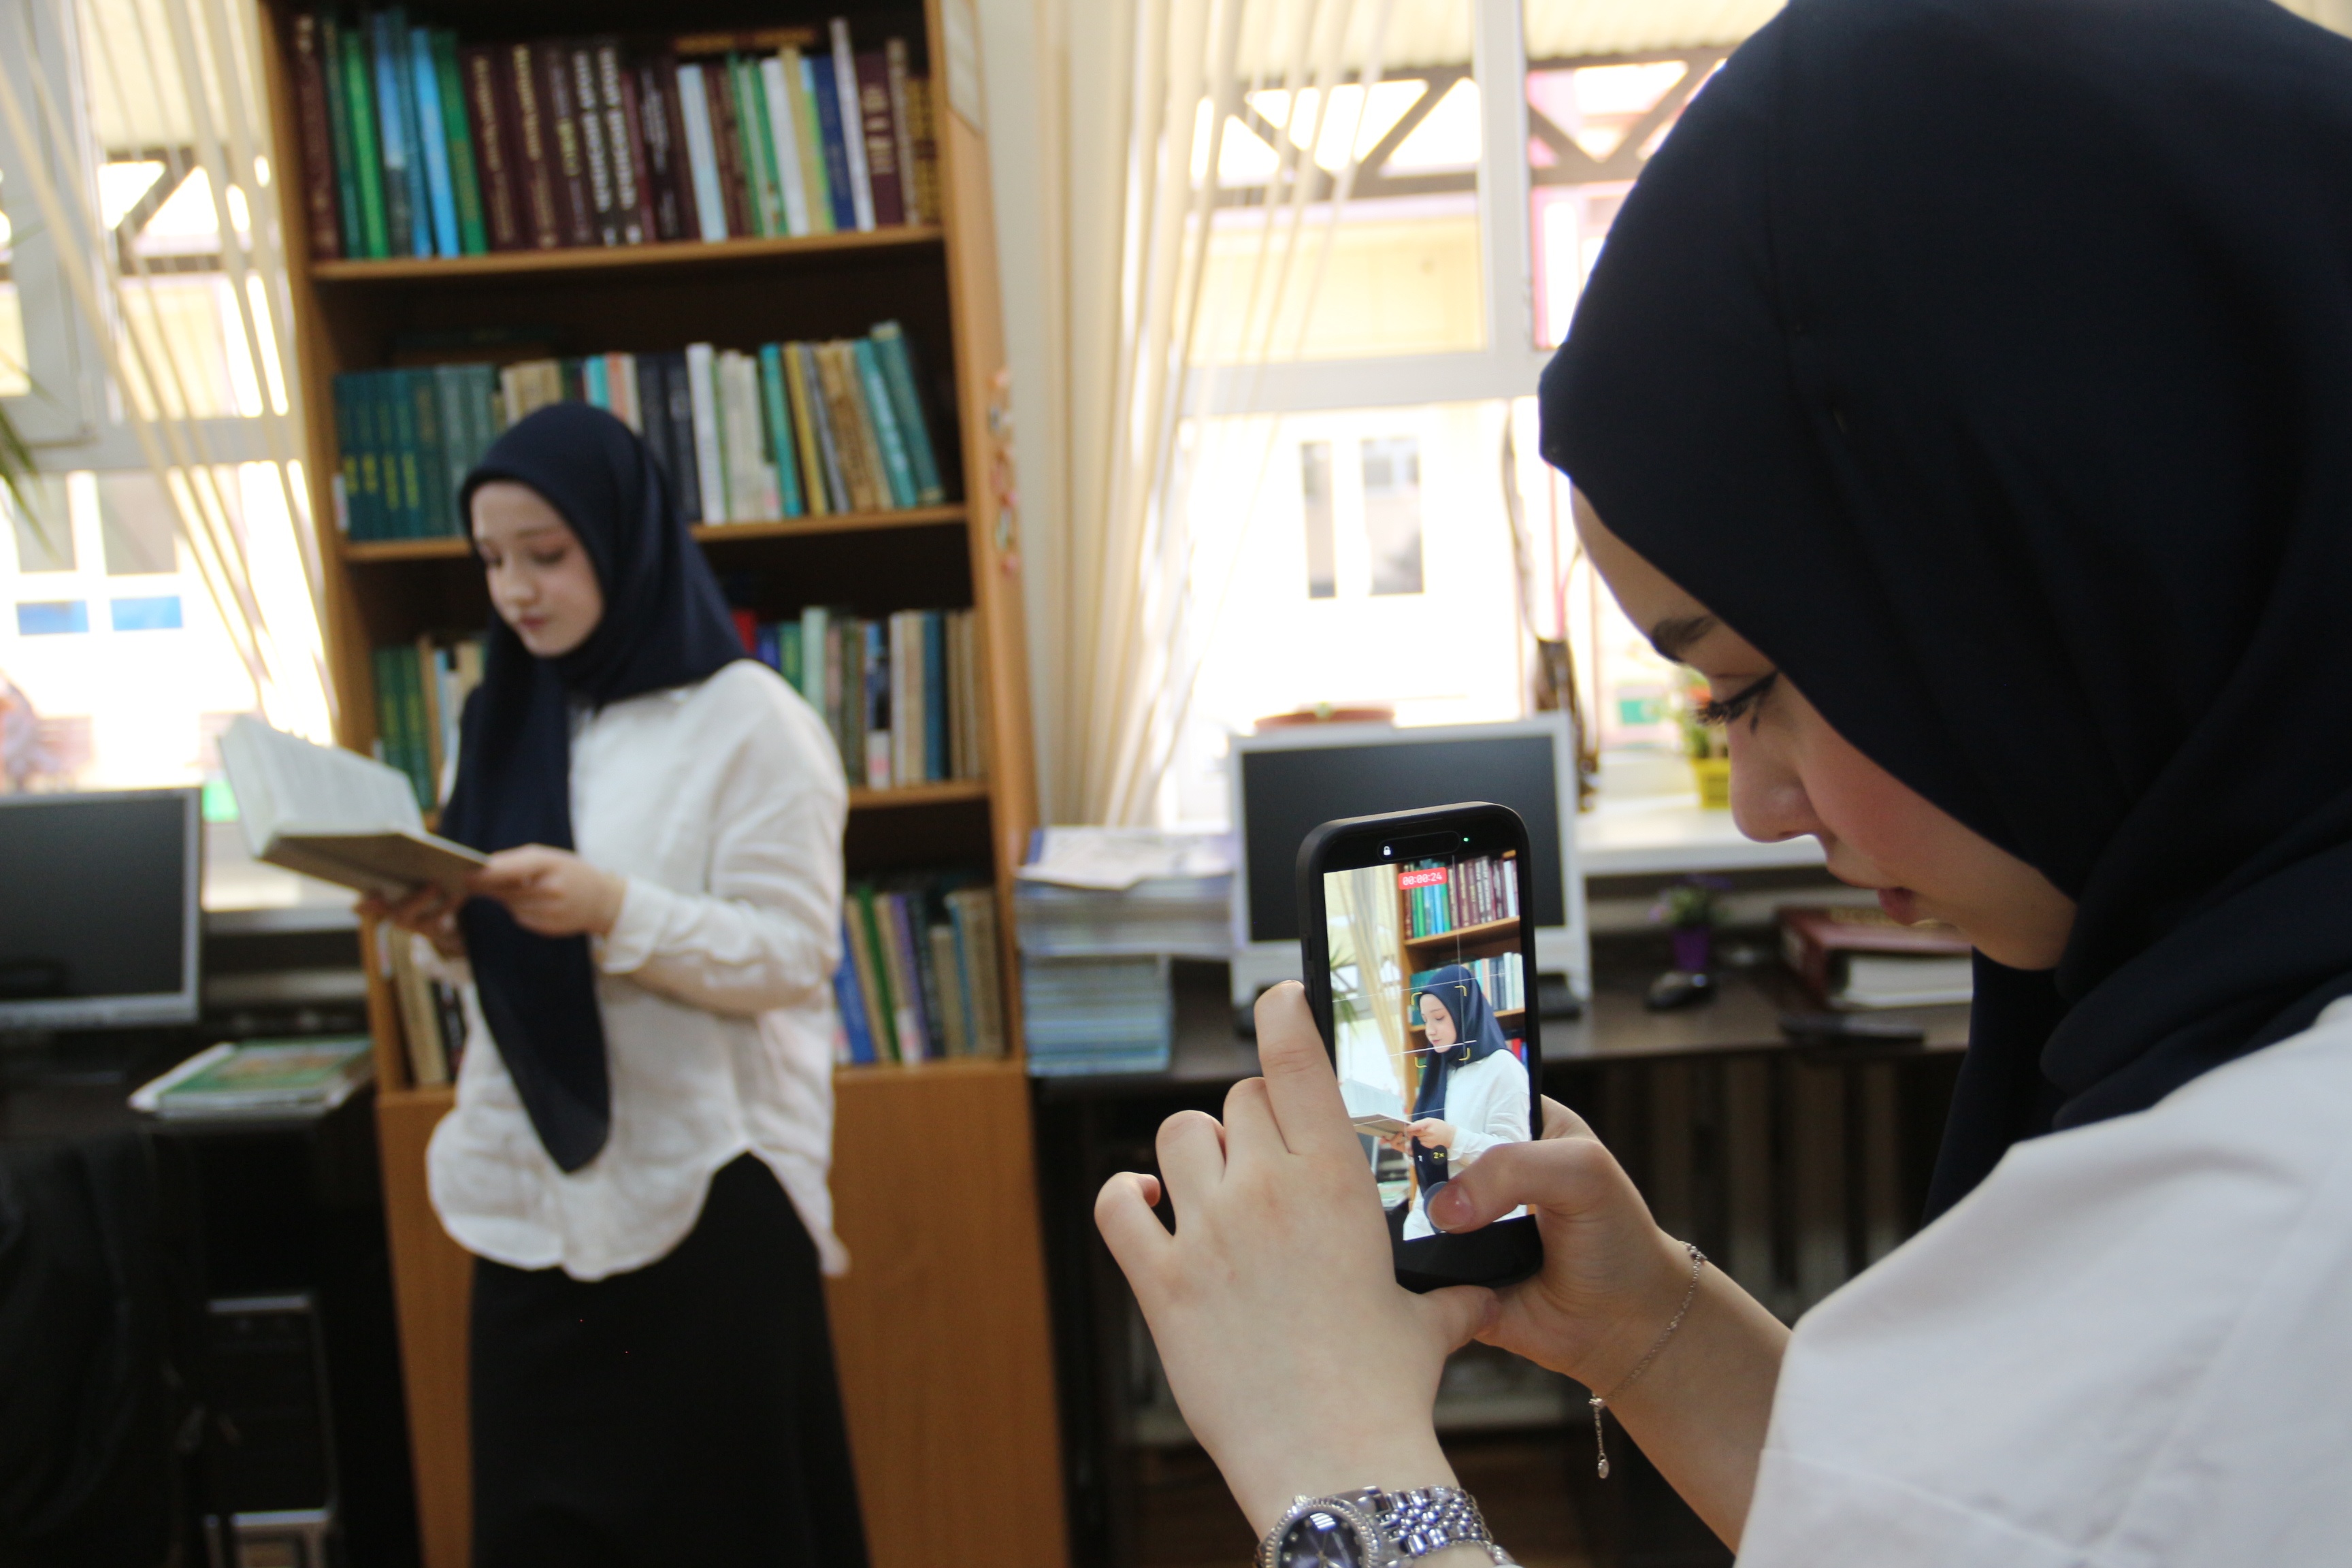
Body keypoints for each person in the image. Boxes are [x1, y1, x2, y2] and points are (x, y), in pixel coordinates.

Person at [1094, 1, 2352, 1563]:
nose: (1760, 808)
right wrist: (1650, 1328)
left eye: (1754, 689)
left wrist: (1332, 1455)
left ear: (2057, 565)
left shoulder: (2262, 1241)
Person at [363, 404, 866, 1567]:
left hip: (708, 1189)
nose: (516, 591)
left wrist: (611, 908)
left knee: (729, 1531)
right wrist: (448, 929)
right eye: (492, 559)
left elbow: (794, 955)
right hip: (532, 1192)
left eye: (546, 553)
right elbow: (509, 946)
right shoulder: (499, 714)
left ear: (620, 536)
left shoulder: (751, 721)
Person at [1379, 965, 1529, 1240]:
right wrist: (1414, 1148)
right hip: (1426, 1226)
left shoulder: (1502, 1067)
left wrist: (1451, 1138)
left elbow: (1514, 1160)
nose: (1430, 1031)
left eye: (1439, 1018)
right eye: (1426, 1020)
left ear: (1464, 1012)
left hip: (1485, 1227)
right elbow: (1440, 1162)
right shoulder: (1440, 1069)